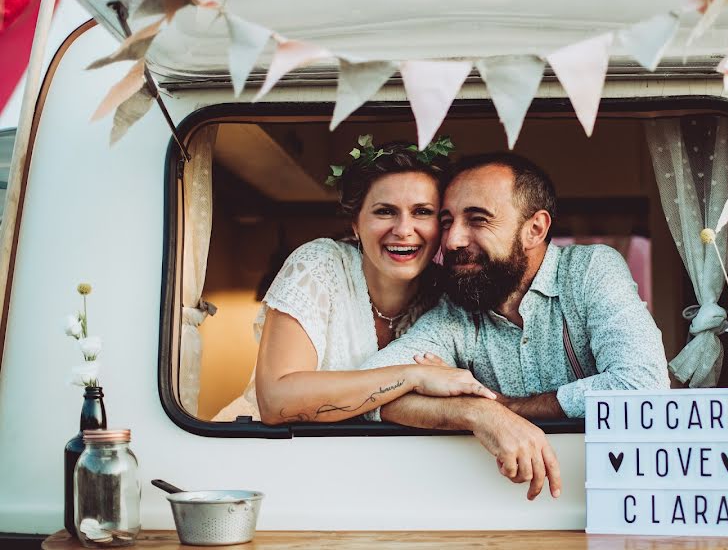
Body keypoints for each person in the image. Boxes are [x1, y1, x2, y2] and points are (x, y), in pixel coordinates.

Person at [360, 153, 669, 500]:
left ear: (534, 229)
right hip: (499, 503)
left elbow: (642, 385)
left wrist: (507, 408)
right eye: (447, 222)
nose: (452, 241)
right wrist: (477, 412)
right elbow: (373, 388)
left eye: (477, 220)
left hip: (613, 496)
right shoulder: (455, 308)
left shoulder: (589, 270)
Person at [213, 138, 496, 424]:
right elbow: (276, 402)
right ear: (356, 225)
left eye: (422, 212)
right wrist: (414, 376)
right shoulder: (318, 266)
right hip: (264, 452)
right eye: (385, 211)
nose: (403, 230)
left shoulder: (447, 296)